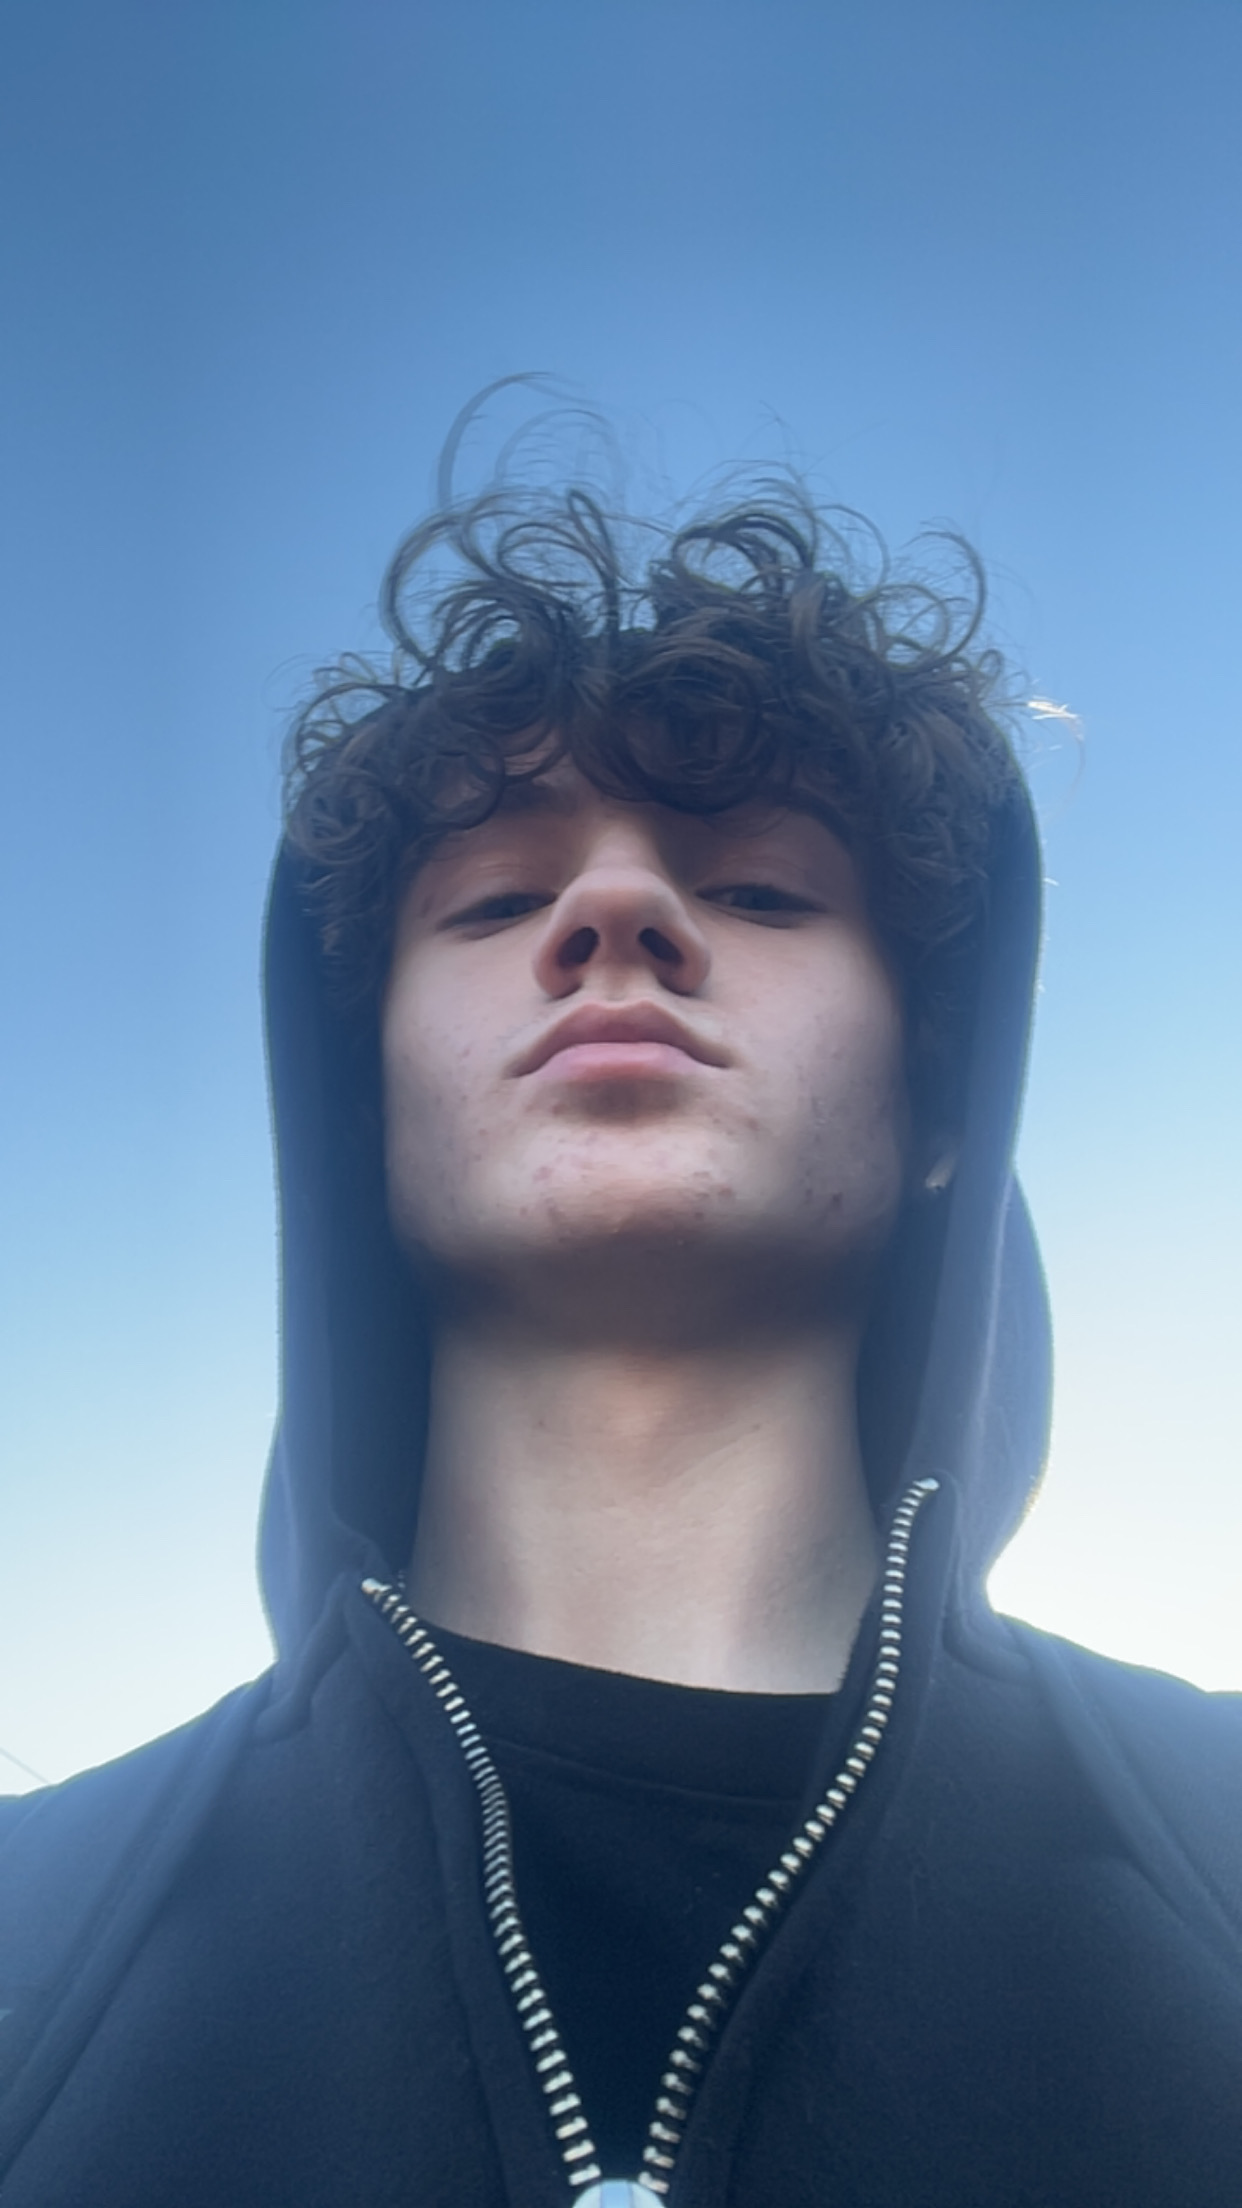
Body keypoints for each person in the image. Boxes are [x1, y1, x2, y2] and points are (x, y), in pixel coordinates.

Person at [1, 473, 1239, 2208]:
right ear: (356, 1123)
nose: (612, 910)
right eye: (492, 903)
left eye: (760, 889)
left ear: (942, 1111)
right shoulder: (32, 1931)